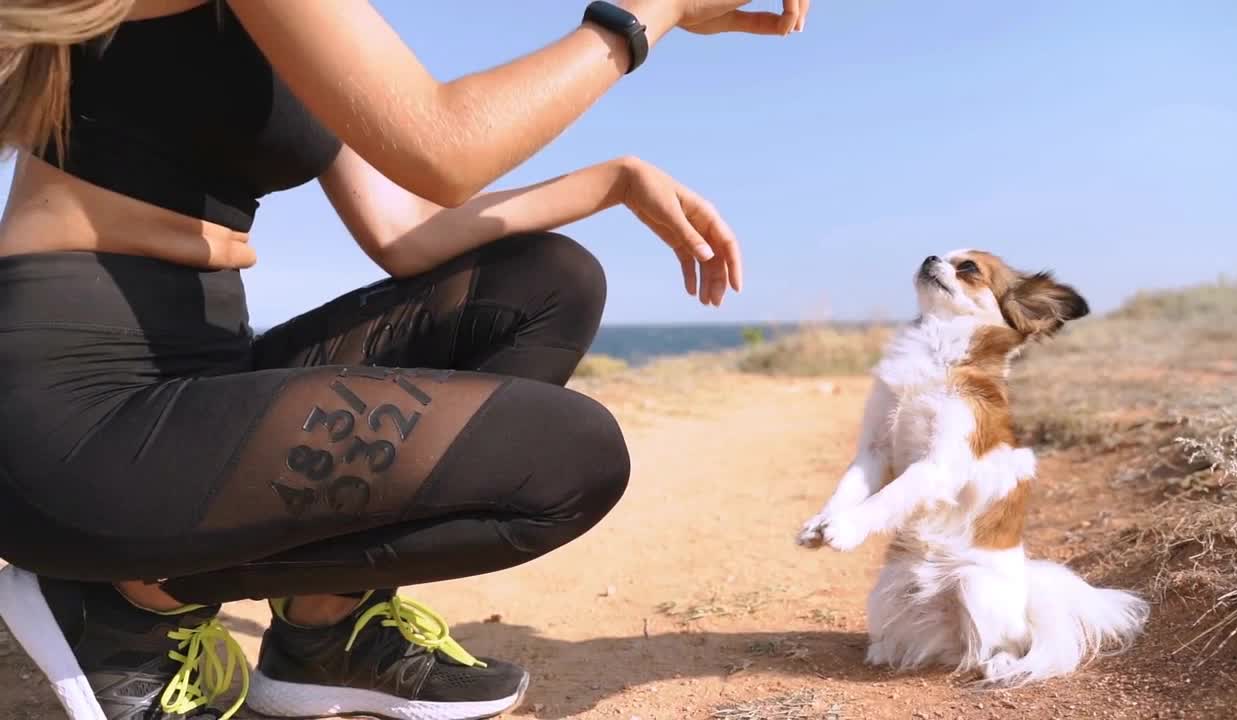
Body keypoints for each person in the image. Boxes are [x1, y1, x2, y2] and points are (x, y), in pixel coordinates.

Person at [0, 0, 810, 718]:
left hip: (194, 383)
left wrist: (612, 181)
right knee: (568, 461)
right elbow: (444, 144)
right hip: (77, 416)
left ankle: (324, 626)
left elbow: (408, 230)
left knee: (545, 283)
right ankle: (124, 597)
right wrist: (649, 12)